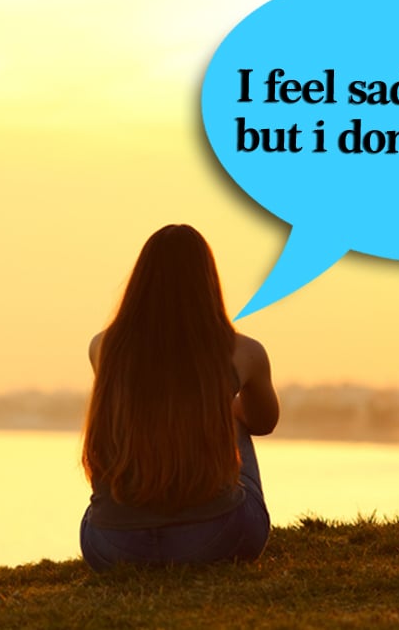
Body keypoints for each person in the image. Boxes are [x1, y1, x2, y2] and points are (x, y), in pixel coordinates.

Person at [79, 224, 279, 571]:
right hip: (216, 539)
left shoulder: (104, 348)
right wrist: (221, 404)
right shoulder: (242, 353)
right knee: (232, 416)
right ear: (207, 283)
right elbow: (262, 422)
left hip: (112, 548)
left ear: (140, 283)